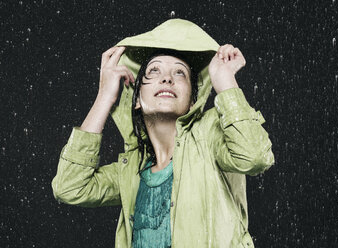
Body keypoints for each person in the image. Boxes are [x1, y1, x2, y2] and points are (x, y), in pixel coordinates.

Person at [52, 19, 274, 248]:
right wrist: (105, 96)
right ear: (136, 99)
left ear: (192, 101)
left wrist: (226, 82)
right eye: (154, 70)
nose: (167, 78)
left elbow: (255, 156)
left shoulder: (210, 136)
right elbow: (69, 187)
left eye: (180, 73)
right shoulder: (131, 169)